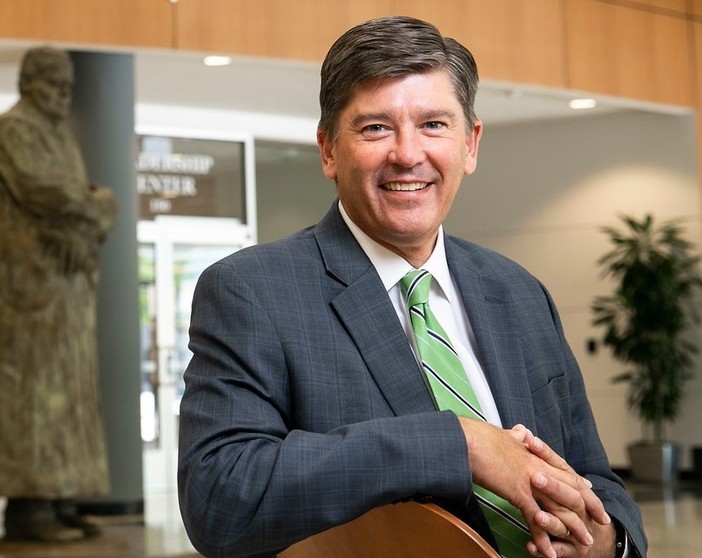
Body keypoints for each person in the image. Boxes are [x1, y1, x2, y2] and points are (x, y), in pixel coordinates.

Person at [178, 15, 647, 558]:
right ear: (328, 150)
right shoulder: (252, 291)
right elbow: (220, 496)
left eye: (433, 124)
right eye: (376, 127)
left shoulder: (520, 293)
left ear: (470, 144)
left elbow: (594, 476)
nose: (407, 154)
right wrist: (459, 443)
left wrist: (606, 540)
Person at [0, 46, 116, 541]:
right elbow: (46, 190)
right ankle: (30, 506)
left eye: (68, 88)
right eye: (54, 86)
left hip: (66, 287)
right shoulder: (15, 129)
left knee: (70, 390)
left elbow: (86, 202)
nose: (62, 96)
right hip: (30, 287)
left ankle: (62, 493)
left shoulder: (58, 134)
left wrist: (95, 206)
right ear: (29, 83)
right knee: (33, 394)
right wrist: (97, 201)